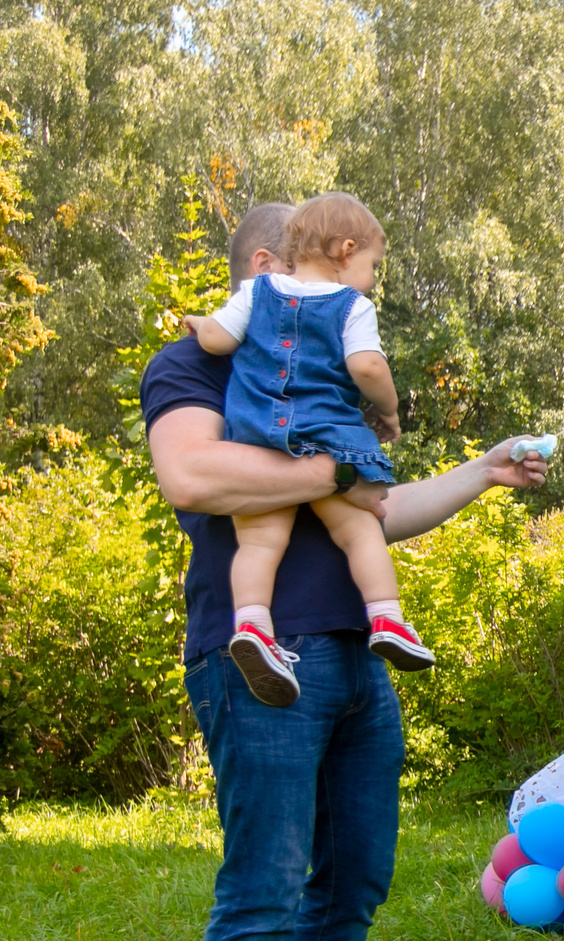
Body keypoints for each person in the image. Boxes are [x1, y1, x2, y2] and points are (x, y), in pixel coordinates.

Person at [142, 201, 550, 941]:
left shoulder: (326, 374)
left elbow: (379, 511)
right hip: (264, 659)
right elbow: (194, 477)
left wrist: (480, 474)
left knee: (354, 878)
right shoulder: (191, 363)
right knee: (267, 890)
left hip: (358, 658)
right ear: (271, 270)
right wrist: (336, 462)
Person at [183, 191, 431, 705]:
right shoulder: (353, 306)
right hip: (328, 440)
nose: (372, 278)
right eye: (372, 265)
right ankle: (387, 617)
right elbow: (367, 367)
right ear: (346, 250)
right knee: (360, 529)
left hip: (259, 437)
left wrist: (200, 325)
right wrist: (388, 409)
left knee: (258, 544)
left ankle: (252, 627)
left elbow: (217, 340)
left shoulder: (257, 290)